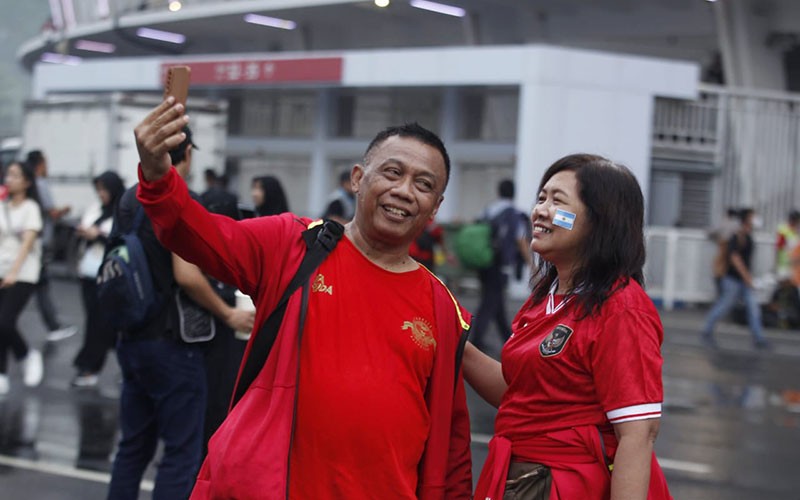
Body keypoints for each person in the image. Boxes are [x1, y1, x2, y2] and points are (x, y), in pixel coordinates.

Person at [133, 98, 473, 499]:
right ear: (358, 178)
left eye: (424, 184)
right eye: (392, 172)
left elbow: (452, 448)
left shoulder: (442, 307)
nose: (404, 191)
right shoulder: (292, 245)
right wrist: (157, 174)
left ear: (435, 207)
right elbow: (197, 233)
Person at [463, 154, 672, 499]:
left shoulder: (621, 308)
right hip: (523, 479)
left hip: (569, 486)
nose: (540, 211)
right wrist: (455, 345)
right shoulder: (544, 298)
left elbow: (637, 434)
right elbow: (520, 394)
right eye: (541, 198)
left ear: (600, 220)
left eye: (557, 202)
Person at [107, 126, 254, 500]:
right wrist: (227, 313)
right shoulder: (179, 200)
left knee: (132, 448)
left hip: (131, 335)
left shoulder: (128, 198)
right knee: (181, 453)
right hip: (173, 343)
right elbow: (186, 275)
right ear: (186, 154)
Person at [71, 171, 126, 388]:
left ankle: (91, 366)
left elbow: (122, 240)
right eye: (99, 189)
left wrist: (100, 236)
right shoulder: (96, 209)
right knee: (95, 321)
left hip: (111, 275)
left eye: (104, 189)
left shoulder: (123, 211)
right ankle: (93, 365)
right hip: (88, 272)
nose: (101, 194)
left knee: (103, 322)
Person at [469, 179, 532, 351]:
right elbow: (521, 240)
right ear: (514, 193)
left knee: (496, 301)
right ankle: (475, 341)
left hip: (484, 261)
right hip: (500, 264)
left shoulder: (488, 210)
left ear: (499, 192)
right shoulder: (514, 214)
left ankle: (508, 338)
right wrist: (531, 264)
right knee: (490, 301)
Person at [0, 161, 45, 394]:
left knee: (5, 322)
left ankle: (27, 355)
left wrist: (14, 272)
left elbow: (27, 244)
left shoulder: (31, 208)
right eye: (8, 174)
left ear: (27, 182)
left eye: (15, 175)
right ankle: (1, 374)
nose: (9, 179)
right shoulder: (2, 206)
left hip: (23, 273)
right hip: (1, 268)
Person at [25, 150, 77, 342]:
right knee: (39, 283)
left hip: (31, 241)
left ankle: (52, 325)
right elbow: (51, 212)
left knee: (35, 283)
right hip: (40, 241)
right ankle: (53, 326)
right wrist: (65, 210)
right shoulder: (40, 184)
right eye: (45, 162)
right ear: (40, 164)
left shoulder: (30, 184)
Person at [701, 208, 770, 349]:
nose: (755, 219)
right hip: (733, 280)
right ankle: (706, 330)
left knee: (753, 308)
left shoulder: (748, 237)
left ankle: (759, 339)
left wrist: (748, 278)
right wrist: (747, 277)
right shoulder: (737, 236)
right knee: (724, 305)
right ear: (746, 220)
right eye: (752, 217)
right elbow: (734, 258)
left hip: (744, 281)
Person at [709, 207, 740, 296]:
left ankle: (722, 294)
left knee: (719, 271)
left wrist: (717, 239)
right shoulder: (737, 225)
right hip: (733, 251)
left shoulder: (724, 223)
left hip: (723, 247)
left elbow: (710, 232)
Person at [775, 209, 800, 277]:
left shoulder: (796, 232)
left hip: (794, 266)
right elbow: (778, 248)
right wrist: (776, 265)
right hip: (784, 267)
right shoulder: (783, 231)